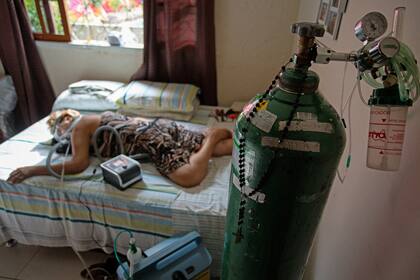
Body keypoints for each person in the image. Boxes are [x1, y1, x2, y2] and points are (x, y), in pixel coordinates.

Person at [7, 109, 233, 188]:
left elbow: (78, 164)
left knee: (189, 176)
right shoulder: (98, 119)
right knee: (223, 148)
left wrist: (31, 170)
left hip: (145, 137)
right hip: (158, 126)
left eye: (58, 127)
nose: (60, 133)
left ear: (68, 118)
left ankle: (211, 138)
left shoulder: (79, 126)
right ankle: (256, 144)